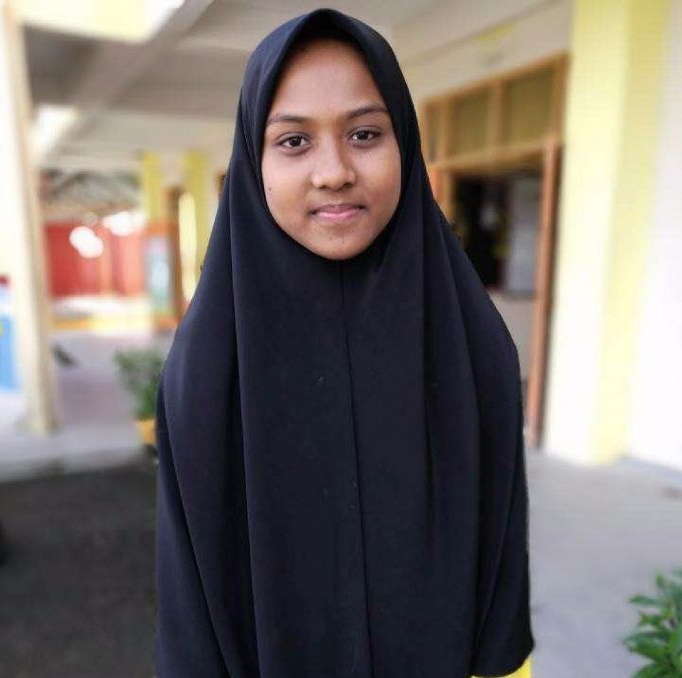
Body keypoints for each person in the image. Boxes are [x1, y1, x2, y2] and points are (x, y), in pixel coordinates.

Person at [154, 8, 533, 678]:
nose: (333, 171)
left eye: (364, 134)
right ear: (253, 161)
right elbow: (189, 600)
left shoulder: (472, 346)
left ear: (405, 142)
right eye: (294, 141)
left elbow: (501, 574)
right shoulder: (210, 366)